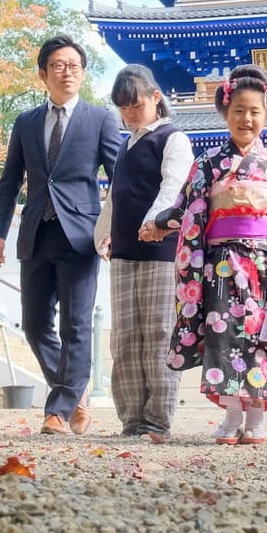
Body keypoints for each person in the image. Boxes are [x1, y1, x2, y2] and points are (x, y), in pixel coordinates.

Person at [163, 64, 267, 445]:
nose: (246, 119)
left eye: (254, 112)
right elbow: (187, 206)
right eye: (238, 110)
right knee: (224, 335)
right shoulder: (207, 164)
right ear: (225, 112)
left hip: (266, 266)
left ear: (266, 115)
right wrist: (162, 220)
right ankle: (232, 415)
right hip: (220, 265)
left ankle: (256, 418)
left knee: (263, 336)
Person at [0, 35, 121, 437]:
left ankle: (58, 411)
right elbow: (10, 181)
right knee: (33, 324)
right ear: (43, 74)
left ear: (82, 73)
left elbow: (119, 178)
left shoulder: (101, 119)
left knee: (76, 326)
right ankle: (75, 395)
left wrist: (114, 229)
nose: (68, 72)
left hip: (81, 236)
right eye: (59, 66)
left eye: (75, 66)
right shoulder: (26, 122)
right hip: (36, 232)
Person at [93, 65, 194, 441]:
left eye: (136, 105)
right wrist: (102, 234)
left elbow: (174, 187)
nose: (130, 114)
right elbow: (115, 196)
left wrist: (155, 222)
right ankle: (131, 417)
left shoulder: (173, 138)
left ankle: (157, 418)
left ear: (155, 97)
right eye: (123, 108)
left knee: (158, 332)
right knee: (125, 336)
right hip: (123, 251)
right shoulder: (126, 142)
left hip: (161, 250)